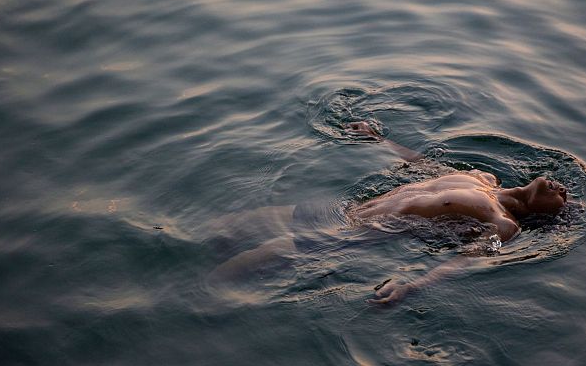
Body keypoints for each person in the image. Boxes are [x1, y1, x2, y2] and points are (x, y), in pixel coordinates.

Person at [209, 121, 567, 304]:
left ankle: (195, 308)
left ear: (547, 215)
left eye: (565, 198)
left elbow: (463, 261)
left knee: (228, 275)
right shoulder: (483, 176)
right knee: (220, 229)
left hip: (346, 236)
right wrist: (377, 140)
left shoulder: (504, 226)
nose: (563, 189)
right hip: (341, 210)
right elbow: (423, 168)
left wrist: (411, 286)